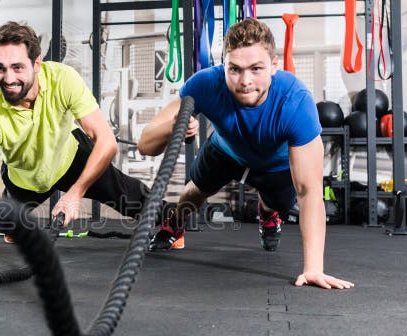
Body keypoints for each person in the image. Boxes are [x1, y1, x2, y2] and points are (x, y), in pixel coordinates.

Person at [138, 18, 353, 290]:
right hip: (226, 150)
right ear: (223, 65)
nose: (245, 81)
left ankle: (267, 213)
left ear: (275, 65)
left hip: (274, 165)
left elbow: (309, 192)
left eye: (256, 69)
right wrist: (172, 128)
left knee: (278, 203)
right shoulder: (205, 84)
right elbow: (146, 145)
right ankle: (174, 227)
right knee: (192, 193)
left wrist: (313, 269)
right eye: (235, 70)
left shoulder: (295, 101)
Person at [0, 21, 148, 273]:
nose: (8, 78)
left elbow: (107, 142)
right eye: (0, 68)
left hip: (70, 159)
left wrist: (74, 194)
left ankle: (171, 224)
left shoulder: (63, 79)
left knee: (140, 201)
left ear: (37, 64)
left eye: (17, 67)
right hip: (24, 177)